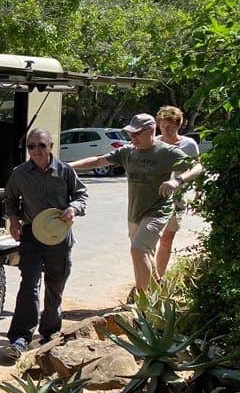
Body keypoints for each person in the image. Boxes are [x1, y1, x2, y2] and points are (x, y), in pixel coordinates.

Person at [68, 113, 202, 295]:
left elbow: (197, 167)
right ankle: (157, 286)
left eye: (138, 133)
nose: (133, 137)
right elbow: (99, 160)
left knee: (138, 250)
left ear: (151, 131)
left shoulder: (166, 152)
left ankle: (142, 300)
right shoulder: (128, 151)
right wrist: (68, 166)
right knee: (144, 254)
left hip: (157, 211)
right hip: (135, 212)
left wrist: (176, 180)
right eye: (131, 133)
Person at [3, 129, 88, 359]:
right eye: (31, 146)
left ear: (51, 146)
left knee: (55, 284)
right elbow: (9, 198)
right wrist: (13, 220)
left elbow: (81, 195)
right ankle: (20, 338)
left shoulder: (65, 171)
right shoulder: (20, 173)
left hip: (58, 236)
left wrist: (73, 209)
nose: (36, 151)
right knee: (29, 285)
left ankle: (50, 332)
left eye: (41, 145)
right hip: (32, 235)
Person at [153, 105, 200, 279]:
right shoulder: (154, 143)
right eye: (163, 126)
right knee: (148, 241)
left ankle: (159, 277)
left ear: (178, 125)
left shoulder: (189, 145)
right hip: (153, 198)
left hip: (176, 198)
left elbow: (196, 168)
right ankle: (147, 280)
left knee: (166, 239)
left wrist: (198, 193)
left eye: (170, 126)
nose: (166, 130)